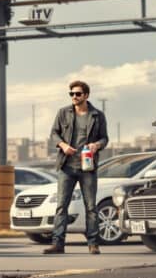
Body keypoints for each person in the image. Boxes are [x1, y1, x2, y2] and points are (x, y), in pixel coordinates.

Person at [44, 80, 108, 255]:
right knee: (61, 206)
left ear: (86, 95)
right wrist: (63, 145)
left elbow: (105, 138)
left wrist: (97, 145)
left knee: (91, 207)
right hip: (67, 166)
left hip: (88, 167)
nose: (74, 97)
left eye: (78, 94)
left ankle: (93, 244)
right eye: (71, 94)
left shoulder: (97, 115)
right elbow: (54, 134)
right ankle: (58, 244)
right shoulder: (63, 113)